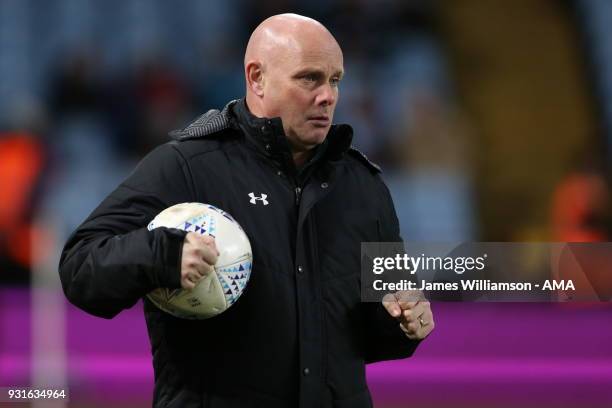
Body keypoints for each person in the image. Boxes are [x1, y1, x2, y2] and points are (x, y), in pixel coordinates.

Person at [59, 13, 434, 408]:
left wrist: (404, 322)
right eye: (309, 78)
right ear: (256, 77)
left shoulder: (365, 186)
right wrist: (162, 255)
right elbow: (79, 267)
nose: (328, 96)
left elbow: (367, 330)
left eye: (335, 80)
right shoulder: (186, 167)